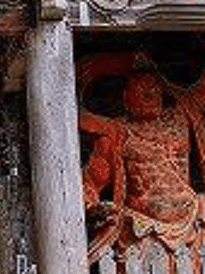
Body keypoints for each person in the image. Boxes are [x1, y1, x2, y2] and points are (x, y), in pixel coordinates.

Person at [79, 52, 205, 269]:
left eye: (155, 89)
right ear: (126, 97)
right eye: (142, 90)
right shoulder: (117, 133)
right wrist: (95, 207)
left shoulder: (181, 117)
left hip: (189, 223)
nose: (150, 95)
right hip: (140, 229)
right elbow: (89, 183)